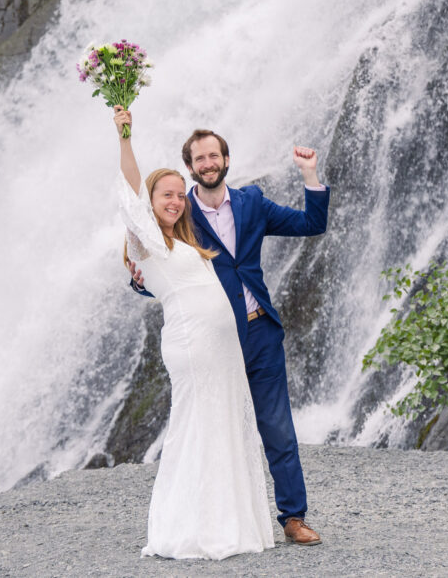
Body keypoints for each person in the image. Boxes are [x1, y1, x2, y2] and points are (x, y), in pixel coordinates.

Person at [130, 124, 330, 546]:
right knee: (216, 428)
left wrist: (309, 174)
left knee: (277, 426)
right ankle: (215, 518)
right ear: (189, 167)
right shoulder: (179, 211)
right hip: (211, 341)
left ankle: (293, 517)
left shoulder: (251, 202)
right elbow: (162, 265)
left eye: (213, 156)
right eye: (199, 159)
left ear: (225, 160)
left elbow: (312, 224)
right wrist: (138, 280)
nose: (207, 163)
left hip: (259, 333)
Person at [113, 105, 274, 560]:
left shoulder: (181, 241)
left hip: (221, 350)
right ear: (150, 203)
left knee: (222, 428)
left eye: (177, 195)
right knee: (199, 430)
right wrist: (125, 138)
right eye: (164, 195)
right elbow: (129, 192)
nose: (174, 200)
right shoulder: (147, 241)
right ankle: (193, 528)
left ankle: (229, 522)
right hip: (194, 348)